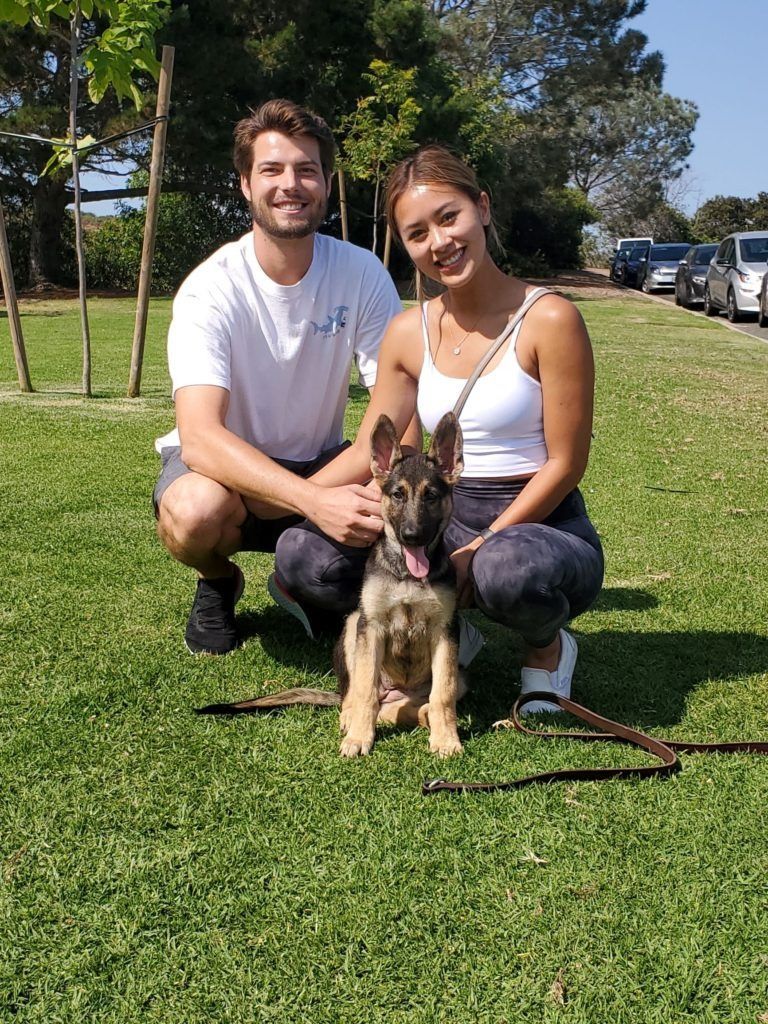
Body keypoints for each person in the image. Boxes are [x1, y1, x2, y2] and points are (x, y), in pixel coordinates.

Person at [274, 145, 604, 710]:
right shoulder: (408, 332)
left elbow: (565, 464)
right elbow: (373, 448)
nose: (440, 243)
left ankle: (547, 649)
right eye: (417, 233)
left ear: (482, 207)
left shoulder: (549, 318)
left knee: (507, 570)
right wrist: (297, 501)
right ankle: (449, 629)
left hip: (536, 516)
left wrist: (482, 542)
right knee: (304, 554)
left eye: (449, 217)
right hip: (433, 511)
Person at [153, 98, 416, 655]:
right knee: (193, 514)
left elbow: (395, 410)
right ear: (245, 184)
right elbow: (200, 436)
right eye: (271, 170)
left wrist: (330, 492)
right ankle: (218, 580)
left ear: (324, 182)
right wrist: (313, 503)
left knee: (386, 506)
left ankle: (302, 581)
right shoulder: (211, 288)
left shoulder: (361, 272)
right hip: (225, 470)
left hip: (324, 459)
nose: (290, 184)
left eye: (307, 170)